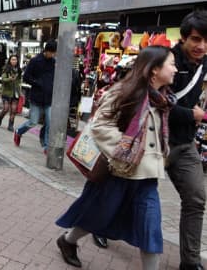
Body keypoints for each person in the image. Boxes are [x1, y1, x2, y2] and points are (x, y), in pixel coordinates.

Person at [55, 45, 177, 269]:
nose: (175, 69)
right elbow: (100, 126)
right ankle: (67, 240)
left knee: (150, 228)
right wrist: (125, 152)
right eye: (171, 63)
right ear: (153, 70)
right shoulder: (123, 92)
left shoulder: (163, 99)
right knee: (97, 216)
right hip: (118, 173)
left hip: (147, 179)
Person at [167, 10, 207, 270]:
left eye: (206, 40)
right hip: (154, 141)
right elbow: (155, 102)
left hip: (184, 144)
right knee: (126, 193)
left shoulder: (204, 61)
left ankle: (190, 263)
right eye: (195, 39)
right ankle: (81, 233)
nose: (201, 46)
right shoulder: (166, 59)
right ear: (183, 38)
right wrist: (191, 114)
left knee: (196, 198)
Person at [13, 40, 57, 152]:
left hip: (49, 98)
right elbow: (26, 77)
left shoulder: (54, 62)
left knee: (50, 122)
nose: (52, 55)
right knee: (33, 121)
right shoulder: (35, 61)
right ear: (46, 51)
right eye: (51, 53)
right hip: (36, 97)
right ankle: (19, 131)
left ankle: (46, 146)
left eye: (54, 53)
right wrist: (38, 83)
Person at [0, 54, 22, 131]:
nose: (14, 61)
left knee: (13, 110)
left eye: (15, 60)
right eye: (12, 59)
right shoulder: (6, 69)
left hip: (15, 93)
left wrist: (20, 91)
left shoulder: (19, 70)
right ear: (10, 61)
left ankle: (10, 125)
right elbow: (3, 79)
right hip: (6, 93)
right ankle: (0, 117)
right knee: (6, 108)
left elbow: (19, 81)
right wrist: (10, 79)